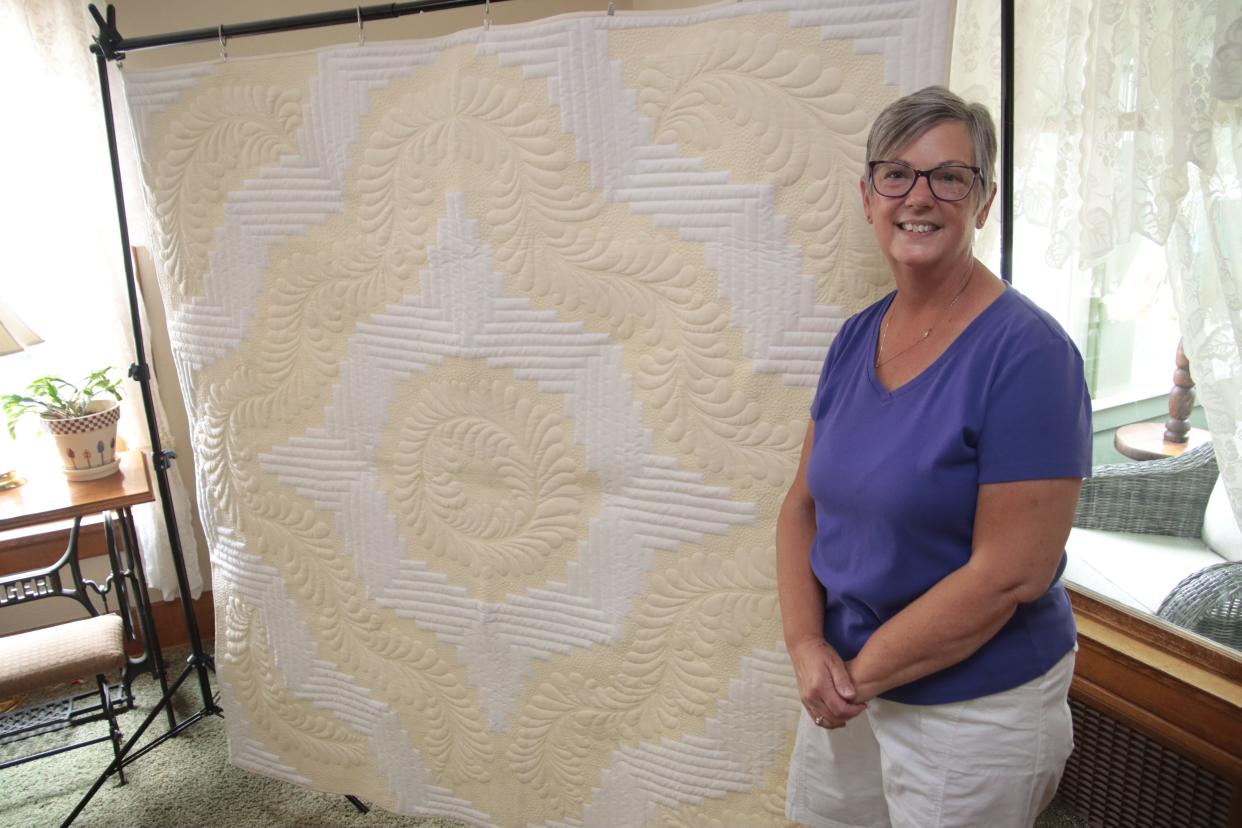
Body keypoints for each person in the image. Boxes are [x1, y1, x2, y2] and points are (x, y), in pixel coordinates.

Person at [777, 86, 1092, 828]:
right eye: (898, 174)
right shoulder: (857, 336)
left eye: (951, 176)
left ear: (982, 202)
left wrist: (851, 677)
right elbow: (801, 508)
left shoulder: (1030, 355)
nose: (921, 196)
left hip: (974, 716)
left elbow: (1006, 576)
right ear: (868, 196)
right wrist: (805, 645)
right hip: (846, 689)